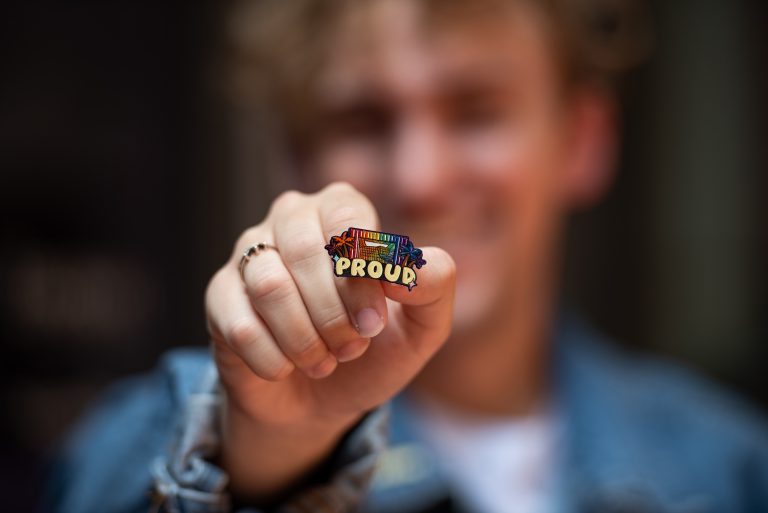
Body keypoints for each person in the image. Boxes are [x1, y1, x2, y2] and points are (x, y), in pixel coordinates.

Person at [45, 0, 768, 512]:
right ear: (297, 158)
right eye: (362, 120)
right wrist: (262, 452)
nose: (421, 177)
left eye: (477, 111)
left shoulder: (729, 467)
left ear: (582, 141)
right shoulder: (138, 438)